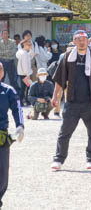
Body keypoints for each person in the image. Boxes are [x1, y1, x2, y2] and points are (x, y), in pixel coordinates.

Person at [50, 29, 91, 171]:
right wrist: (55, 96)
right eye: (78, 39)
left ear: (88, 40)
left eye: (84, 39)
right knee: (64, 131)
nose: (82, 41)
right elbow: (60, 79)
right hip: (72, 101)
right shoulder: (67, 56)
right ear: (74, 41)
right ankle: (58, 159)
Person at [0, 62, 24, 207]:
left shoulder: (8, 91)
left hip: (1, 137)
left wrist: (20, 126)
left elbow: (17, 108)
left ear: (2, 73)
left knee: (2, 174)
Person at [15, 39, 34, 106]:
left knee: (25, 88)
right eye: (28, 44)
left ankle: (22, 101)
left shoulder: (22, 52)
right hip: (25, 74)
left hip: (22, 73)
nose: (29, 45)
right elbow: (25, 65)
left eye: (30, 44)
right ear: (24, 45)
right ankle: (23, 101)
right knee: (26, 88)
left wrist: (31, 49)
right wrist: (27, 74)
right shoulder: (24, 53)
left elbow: (30, 56)